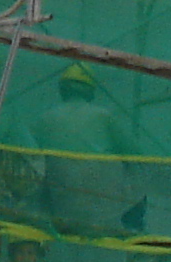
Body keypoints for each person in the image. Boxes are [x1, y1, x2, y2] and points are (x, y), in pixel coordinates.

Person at [30, 64, 142, 235]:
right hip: (104, 210)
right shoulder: (104, 116)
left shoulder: (44, 120)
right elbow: (136, 156)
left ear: (63, 90)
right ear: (90, 91)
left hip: (58, 209)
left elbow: (29, 158)